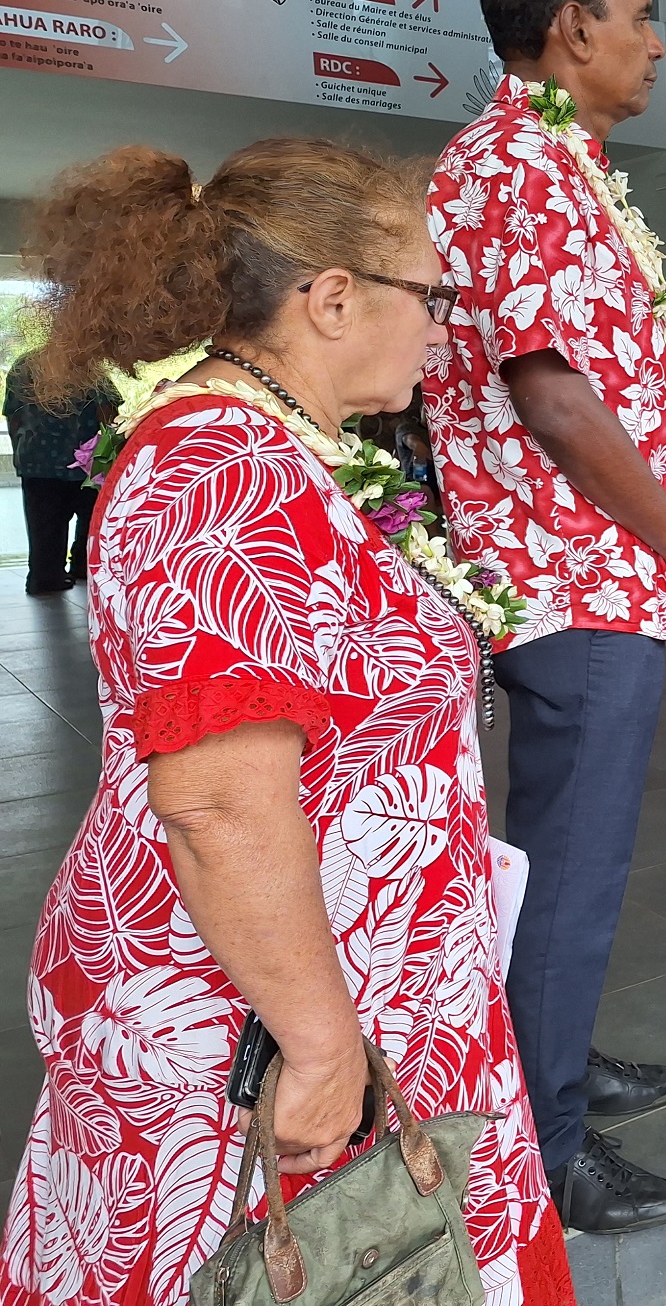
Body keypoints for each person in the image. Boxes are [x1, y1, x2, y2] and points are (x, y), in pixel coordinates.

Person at [0, 140, 571, 1306]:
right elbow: (215, 800)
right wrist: (316, 1050)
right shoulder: (216, 473)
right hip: (260, 1039)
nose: (442, 327)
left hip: (367, 999)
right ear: (331, 299)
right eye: (432, 295)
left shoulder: (283, 452)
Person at [425, 0, 666, 1234]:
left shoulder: (553, 160)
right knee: (569, 866)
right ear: (572, 30)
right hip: (574, 579)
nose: (656, 44)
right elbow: (553, 398)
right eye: (641, 15)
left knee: (565, 865)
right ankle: (541, 1147)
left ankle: (554, 1053)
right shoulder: (515, 168)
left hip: (595, 577)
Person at [2, 344, 113, 595]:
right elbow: (107, 409)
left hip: (35, 461)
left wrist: (21, 452)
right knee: (91, 518)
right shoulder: (84, 362)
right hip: (82, 461)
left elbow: (12, 413)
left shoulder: (24, 364)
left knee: (44, 527)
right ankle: (83, 565)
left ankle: (45, 576)